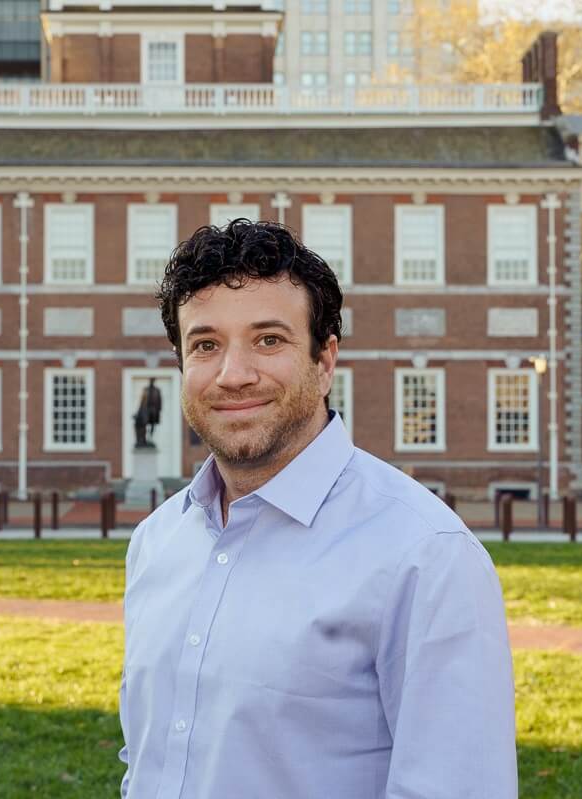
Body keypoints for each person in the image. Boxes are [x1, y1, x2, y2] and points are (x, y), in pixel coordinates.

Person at [118, 219, 517, 799]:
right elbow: (147, 762)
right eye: (206, 345)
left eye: (269, 340)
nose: (234, 375)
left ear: (325, 360)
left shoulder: (425, 555)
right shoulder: (157, 542)